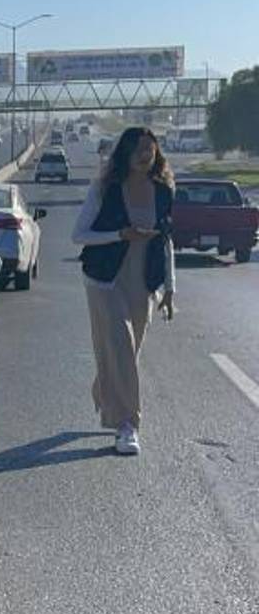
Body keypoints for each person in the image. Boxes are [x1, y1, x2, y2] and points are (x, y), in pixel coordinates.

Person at [71, 126, 175, 456]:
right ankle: (127, 425)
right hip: (104, 280)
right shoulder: (105, 188)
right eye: (138, 150)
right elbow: (79, 235)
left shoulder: (163, 191)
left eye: (150, 149)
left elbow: (165, 240)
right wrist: (121, 234)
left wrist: (170, 288)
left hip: (142, 281)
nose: (145, 155)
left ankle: (105, 389)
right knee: (122, 346)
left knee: (128, 352)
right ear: (125, 154)